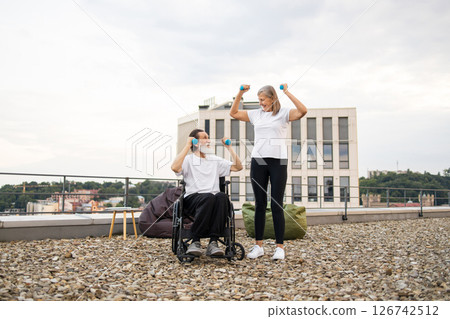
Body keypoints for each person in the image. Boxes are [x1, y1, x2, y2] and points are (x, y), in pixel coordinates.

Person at [230, 83, 307, 260]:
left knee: (276, 204)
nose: (261, 103)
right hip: (258, 161)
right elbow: (233, 113)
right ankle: (259, 246)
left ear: (272, 98)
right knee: (259, 204)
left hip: (278, 161)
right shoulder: (256, 114)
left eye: (263, 99)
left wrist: (287, 92)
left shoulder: (284, 113)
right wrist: (240, 93)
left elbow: (303, 110)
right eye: (259, 100)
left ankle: (279, 248)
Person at [171, 128, 243, 257]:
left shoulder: (214, 160)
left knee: (221, 196)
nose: (208, 140)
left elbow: (238, 167)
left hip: (213, 199)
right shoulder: (188, 159)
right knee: (209, 197)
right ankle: (196, 240)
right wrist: (188, 146)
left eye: (208, 137)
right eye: (204, 137)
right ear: (195, 141)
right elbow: (175, 168)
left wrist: (229, 148)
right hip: (193, 199)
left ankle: (213, 242)